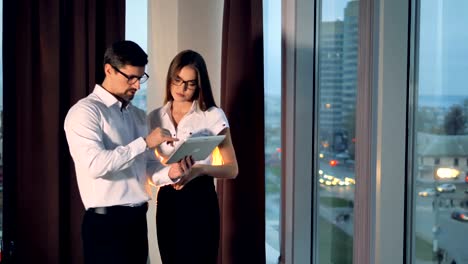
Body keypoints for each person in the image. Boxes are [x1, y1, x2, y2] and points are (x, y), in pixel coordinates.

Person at [64, 40, 194, 264]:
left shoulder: (137, 115)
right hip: (105, 225)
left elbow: (147, 168)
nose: (137, 85)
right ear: (108, 70)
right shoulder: (84, 112)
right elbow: (95, 165)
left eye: (141, 78)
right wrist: (144, 142)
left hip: (137, 221)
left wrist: (171, 172)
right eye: (131, 78)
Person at [148, 50, 238, 264]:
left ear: (199, 85)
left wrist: (200, 170)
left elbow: (232, 169)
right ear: (170, 78)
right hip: (168, 199)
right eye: (177, 80)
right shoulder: (154, 117)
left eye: (190, 83)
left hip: (200, 198)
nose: (182, 88)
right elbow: (149, 167)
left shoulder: (212, 115)